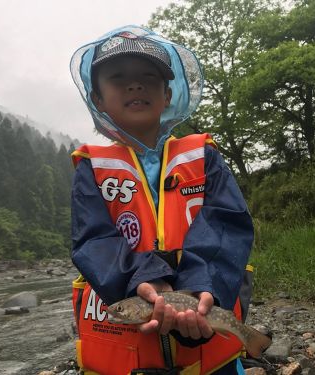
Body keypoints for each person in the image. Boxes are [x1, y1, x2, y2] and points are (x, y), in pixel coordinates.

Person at [69, 25, 263, 374]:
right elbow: (95, 239)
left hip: (207, 346)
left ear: (168, 93)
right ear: (98, 99)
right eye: (118, 78)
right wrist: (141, 281)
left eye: (148, 77)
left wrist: (201, 287)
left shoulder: (204, 157)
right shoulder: (91, 168)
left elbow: (226, 227)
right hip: (128, 352)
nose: (135, 85)